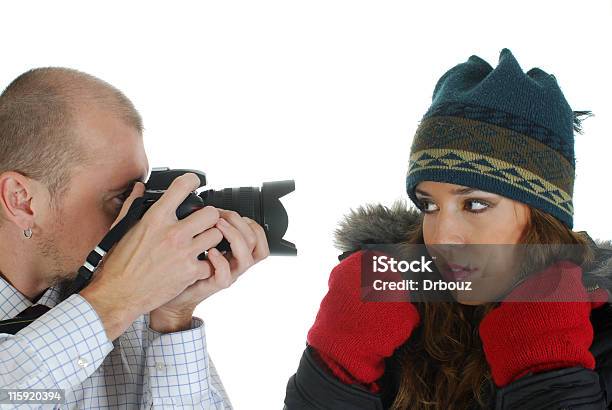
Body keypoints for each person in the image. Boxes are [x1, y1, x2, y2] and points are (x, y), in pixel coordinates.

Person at [284, 48, 612, 409]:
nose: (441, 237)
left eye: (474, 204)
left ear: (542, 214)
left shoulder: (604, 334)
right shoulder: (391, 309)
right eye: (429, 205)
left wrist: (548, 372)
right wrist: (337, 368)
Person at [0, 67, 269, 409]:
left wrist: (173, 317)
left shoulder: (131, 301)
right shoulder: (116, 300)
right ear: (22, 200)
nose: (139, 222)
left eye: (139, 197)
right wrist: (113, 304)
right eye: (118, 199)